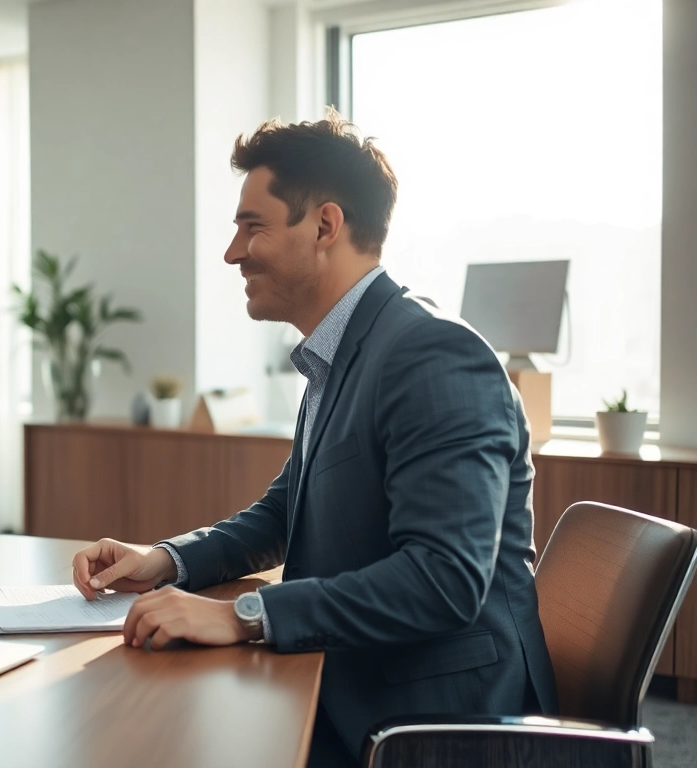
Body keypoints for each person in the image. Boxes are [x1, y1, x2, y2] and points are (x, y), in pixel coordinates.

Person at [70, 114, 557, 766]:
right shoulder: (344, 353)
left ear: (325, 226)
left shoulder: (432, 357)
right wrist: (163, 558)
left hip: (435, 723)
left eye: (253, 226)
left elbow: (442, 581)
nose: (232, 252)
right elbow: (284, 512)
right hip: (360, 678)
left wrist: (244, 613)